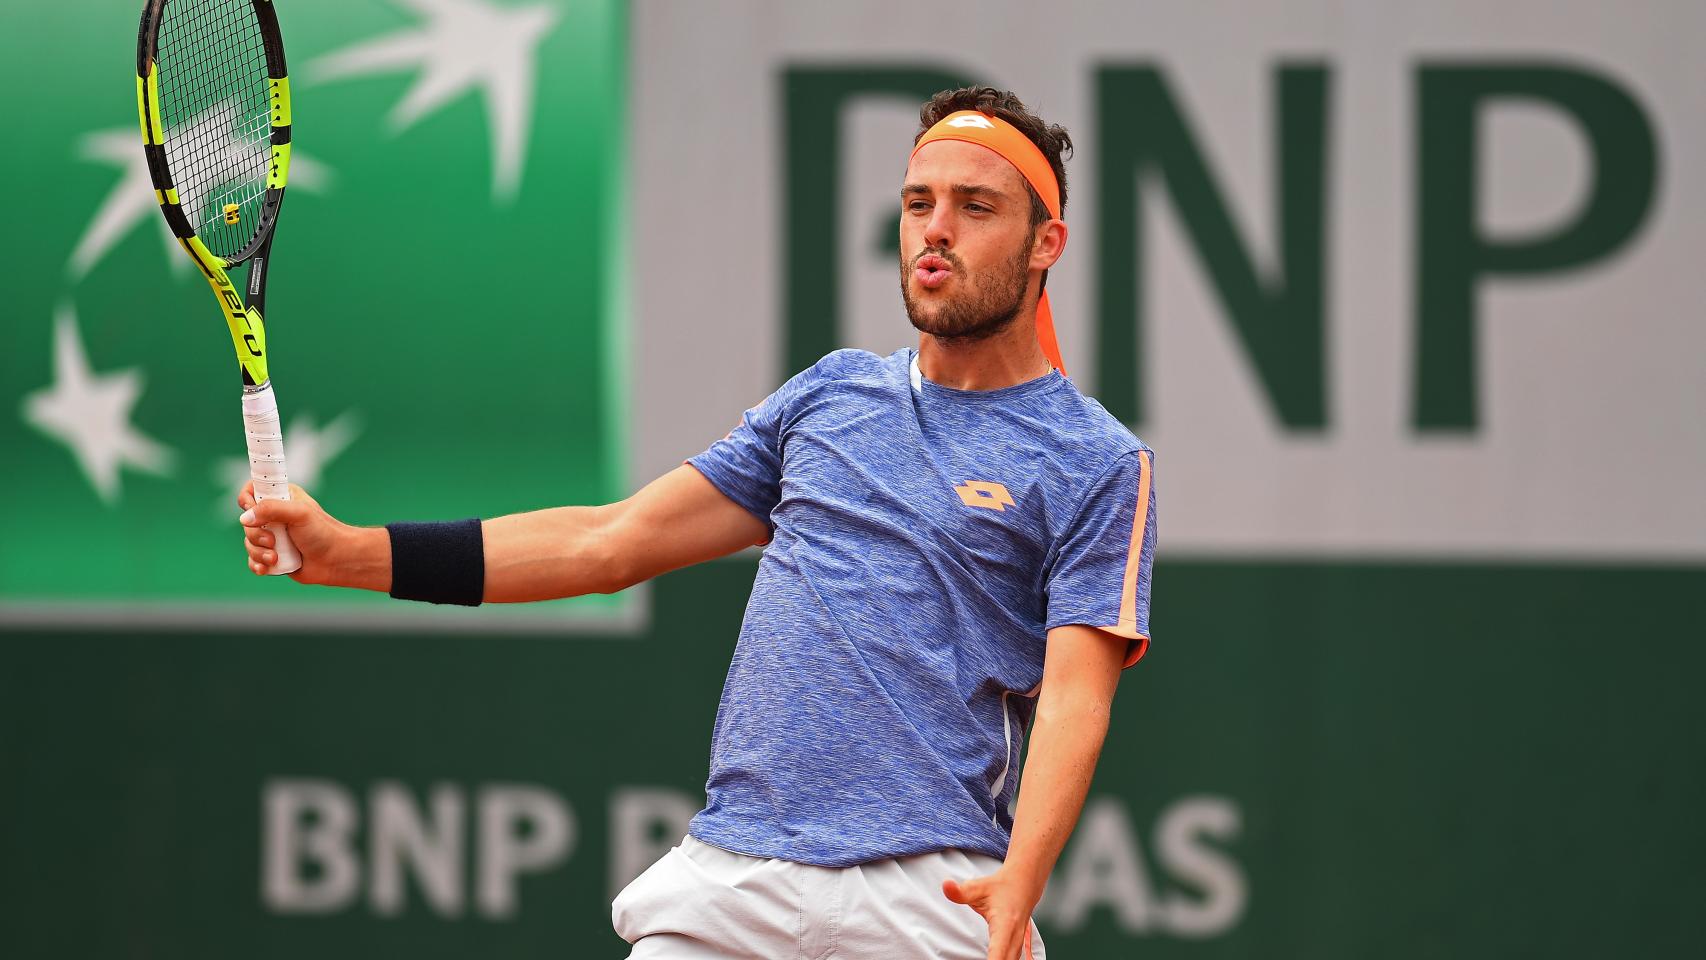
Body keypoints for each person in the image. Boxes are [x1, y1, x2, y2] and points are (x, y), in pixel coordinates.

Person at [237, 86, 1156, 960]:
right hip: (732, 885)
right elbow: (608, 543)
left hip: (930, 895)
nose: (936, 229)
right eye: (918, 203)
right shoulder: (831, 397)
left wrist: (1021, 883)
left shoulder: (1097, 461)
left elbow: (1078, 698)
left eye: (976, 206)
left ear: (1047, 243)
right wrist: (351, 554)